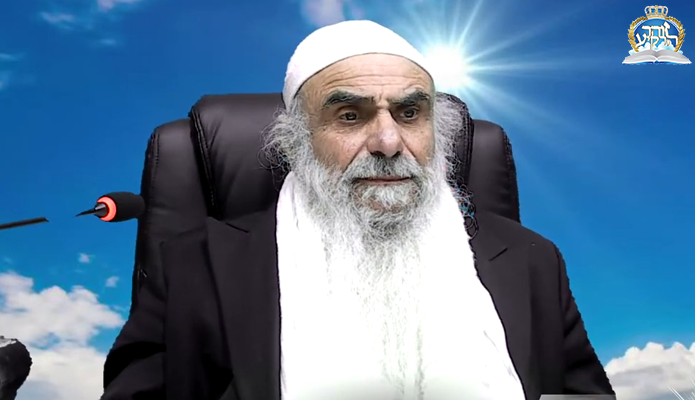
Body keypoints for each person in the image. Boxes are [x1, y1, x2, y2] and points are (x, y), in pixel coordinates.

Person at [102, 20, 614, 400]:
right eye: (350, 115)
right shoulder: (193, 265)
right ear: (296, 140)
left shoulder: (530, 259)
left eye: (410, 113)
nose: (388, 142)